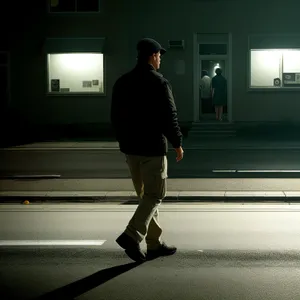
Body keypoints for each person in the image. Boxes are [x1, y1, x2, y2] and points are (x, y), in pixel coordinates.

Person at [110, 37, 184, 263]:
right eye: (159, 55)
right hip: (152, 149)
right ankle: (132, 235)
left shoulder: (122, 82)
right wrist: (177, 143)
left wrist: (123, 141)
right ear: (152, 56)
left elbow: (115, 117)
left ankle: (154, 243)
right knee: (155, 194)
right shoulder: (159, 82)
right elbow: (168, 116)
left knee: (146, 197)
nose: (160, 59)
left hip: (131, 150)